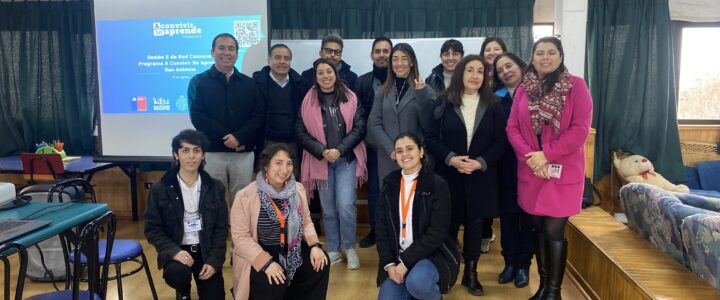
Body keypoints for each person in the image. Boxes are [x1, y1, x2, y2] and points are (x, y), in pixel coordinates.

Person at [506, 37, 593, 300]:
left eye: (551, 52)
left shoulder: (576, 86)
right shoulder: (523, 89)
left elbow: (580, 130)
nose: (545, 57)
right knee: (538, 227)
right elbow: (512, 128)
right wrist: (532, 157)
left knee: (554, 229)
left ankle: (554, 292)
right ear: (532, 57)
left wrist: (547, 155)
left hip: (562, 172)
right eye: (540, 52)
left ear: (561, 56)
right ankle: (543, 286)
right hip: (531, 171)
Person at [425, 55, 508, 296]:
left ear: (485, 76)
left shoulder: (494, 105)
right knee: (447, 225)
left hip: (480, 177)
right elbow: (430, 138)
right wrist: (450, 158)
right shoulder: (442, 102)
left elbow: (501, 142)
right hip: (448, 176)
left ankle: (471, 273)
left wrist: (481, 163)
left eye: (480, 71)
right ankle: (447, 271)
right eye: (470, 70)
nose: (474, 75)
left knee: (475, 225)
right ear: (460, 73)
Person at [230, 143, 330, 300]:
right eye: (278, 163)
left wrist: (315, 246)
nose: (284, 169)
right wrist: (266, 263)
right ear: (266, 166)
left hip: (291, 248)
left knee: (320, 263)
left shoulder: (297, 189)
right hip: (260, 251)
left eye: (289, 163)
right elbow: (240, 237)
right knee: (274, 281)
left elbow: (306, 222)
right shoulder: (245, 196)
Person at [296, 58, 367, 269]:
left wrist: (340, 150)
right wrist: (322, 151)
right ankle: (334, 249)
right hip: (320, 161)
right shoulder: (307, 100)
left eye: (329, 71)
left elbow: (359, 127)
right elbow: (300, 131)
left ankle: (349, 247)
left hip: (346, 160)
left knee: (345, 205)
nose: (325, 76)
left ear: (336, 74)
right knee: (328, 209)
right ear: (315, 76)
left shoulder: (351, 97)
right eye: (321, 72)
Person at [375, 132, 460, 300]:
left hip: (432, 255)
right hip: (398, 258)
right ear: (395, 156)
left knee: (418, 284)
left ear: (421, 152)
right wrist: (389, 263)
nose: (405, 154)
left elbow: (437, 232)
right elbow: (381, 227)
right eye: (399, 151)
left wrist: (406, 262)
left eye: (410, 149)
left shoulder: (437, 184)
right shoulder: (389, 184)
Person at [144, 129, 228, 300]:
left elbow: (221, 230)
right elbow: (153, 229)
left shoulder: (216, 188)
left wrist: (214, 262)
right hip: (177, 249)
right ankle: (183, 290)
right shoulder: (160, 189)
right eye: (185, 151)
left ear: (203, 155)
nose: (191, 156)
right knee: (177, 274)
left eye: (197, 151)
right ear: (176, 155)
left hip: (206, 251)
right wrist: (173, 252)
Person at [189, 33, 265, 200]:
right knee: (214, 201)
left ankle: (239, 229)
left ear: (237, 54)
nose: (226, 52)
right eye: (221, 48)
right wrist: (226, 137)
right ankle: (219, 229)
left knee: (243, 202)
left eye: (231, 49)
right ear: (212, 52)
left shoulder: (250, 83)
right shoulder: (201, 82)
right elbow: (198, 116)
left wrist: (239, 138)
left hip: (243, 153)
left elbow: (258, 116)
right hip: (213, 153)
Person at [367, 43, 435, 189]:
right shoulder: (382, 91)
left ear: (411, 62)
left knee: (414, 202)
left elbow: (429, 124)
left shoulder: (424, 89)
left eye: (404, 59)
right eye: (395, 59)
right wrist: (392, 150)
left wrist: (421, 94)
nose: (399, 63)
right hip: (388, 157)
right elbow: (373, 123)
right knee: (390, 202)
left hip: (414, 158)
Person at [492, 52, 534, 288]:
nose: (506, 71)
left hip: (529, 164)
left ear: (520, 65)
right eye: (500, 70)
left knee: (526, 218)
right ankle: (509, 263)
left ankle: (523, 265)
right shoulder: (495, 98)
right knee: (507, 217)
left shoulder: (535, 92)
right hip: (504, 164)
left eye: (509, 66)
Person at [355, 36, 393, 248]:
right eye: (377, 51)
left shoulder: (399, 79)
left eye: (385, 51)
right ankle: (376, 231)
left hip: (398, 147)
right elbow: (358, 116)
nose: (381, 55)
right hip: (372, 148)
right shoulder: (361, 82)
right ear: (372, 55)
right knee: (375, 192)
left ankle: (394, 231)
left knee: (397, 190)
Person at [253, 43, 305, 176]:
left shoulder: (299, 84)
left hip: (293, 144)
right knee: (266, 185)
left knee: (291, 184)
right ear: (269, 61)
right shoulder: (256, 83)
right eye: (277, 57)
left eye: (286, 58)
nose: (282, 61)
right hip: (266, 143)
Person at [478, 36, 508, 253]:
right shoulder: (477, 77)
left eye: (496, 49)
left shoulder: (508, 78)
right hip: (482, 146)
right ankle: (484, 232)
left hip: (506, 143)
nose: (492, 52)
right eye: (488, 49)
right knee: (485, 190)